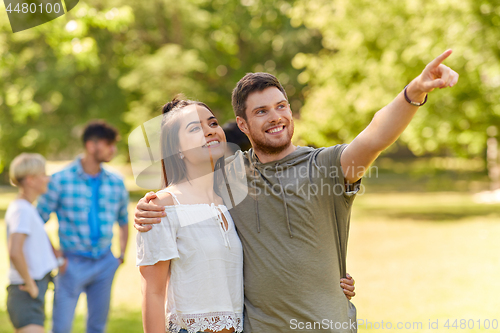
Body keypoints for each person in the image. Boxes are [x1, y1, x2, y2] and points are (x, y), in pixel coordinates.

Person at [135, 50, 457, 332]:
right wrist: (151, 204)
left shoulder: (328, 166)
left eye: (281, 106)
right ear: (243, 125)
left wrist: (413, 92)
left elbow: (375, 136)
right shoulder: (229, 177)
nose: (275, 117)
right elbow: (186, 186)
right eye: (261, 111)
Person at [137, 97, 245, 333]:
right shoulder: (162, 206)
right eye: (195, 128)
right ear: (176, 148)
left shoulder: (230, 201)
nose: (209, 132)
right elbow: (153, 292)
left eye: (213, 123)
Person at [37, 120, 130, 333]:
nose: (113, 150)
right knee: (61, 328)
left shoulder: (116, 181)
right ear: (91, 145)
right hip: (71, 264)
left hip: (105, 263)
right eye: (108, 144)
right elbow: (37, 221)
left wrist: (121, 255)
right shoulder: (60, 180)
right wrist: (58, 257)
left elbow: (124, 220)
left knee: (97, 327)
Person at [5, 153, 64, 333]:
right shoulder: (21, 210)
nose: (48, 178)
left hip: (31, 291)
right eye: (44, 174)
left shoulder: (26, 208)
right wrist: (31, 285)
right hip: (26, 292)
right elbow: (15, 251)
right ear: (31, 180)